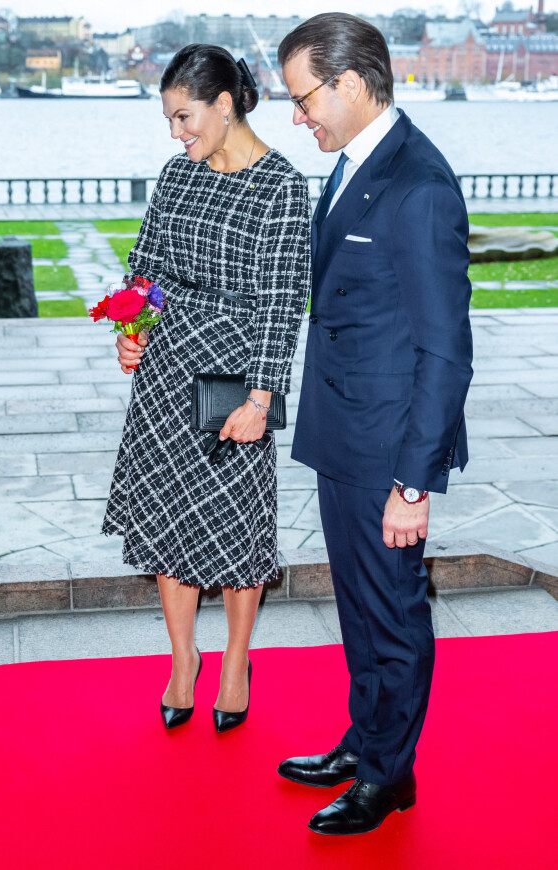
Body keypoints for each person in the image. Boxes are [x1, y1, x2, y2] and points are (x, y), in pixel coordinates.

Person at [277, 14, 473, 835]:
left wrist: (413, 483)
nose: (297, 116)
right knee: (359, 607)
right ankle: (366, 741)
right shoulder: (356, 163)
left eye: (303, 97)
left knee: (392, 615)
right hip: (345, 435)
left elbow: (445, 352)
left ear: (350, 85)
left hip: (388, 452)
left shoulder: (418, 185)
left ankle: (390, 777)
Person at [103, 44, 311, 734]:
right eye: (169, 120)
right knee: (167, 517)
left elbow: (284, 303)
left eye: (185, 116)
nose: (176, 133)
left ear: (225, 104)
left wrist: (260, 400)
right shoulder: (177, 174)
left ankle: (235, 662)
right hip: (166, 370)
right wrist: (131, 329)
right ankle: (183, 661)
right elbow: (146, 267)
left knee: (234, 523)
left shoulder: (280, 185)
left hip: (232, 377)